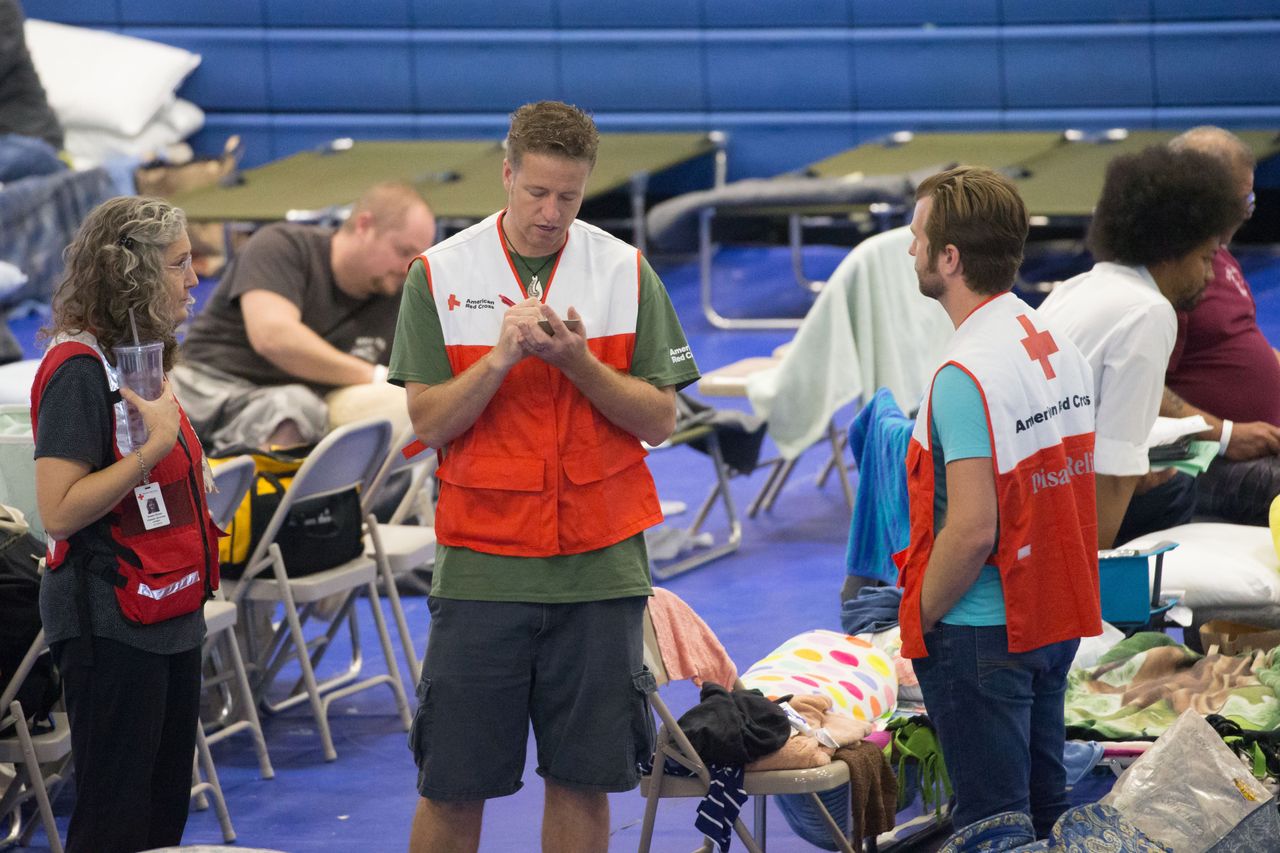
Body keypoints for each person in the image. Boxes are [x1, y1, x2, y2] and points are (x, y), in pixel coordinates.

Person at [390, 100, 700, 853]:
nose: (550, 213)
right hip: (482, 571)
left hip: (599, 570)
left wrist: (578, 364)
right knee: (452, 782)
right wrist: (497, 360)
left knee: (584, 780)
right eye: (536, 193)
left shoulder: (624, 271)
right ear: (507, 174)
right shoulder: (439, 273)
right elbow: (429, 422)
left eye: (568, 196)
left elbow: (660, 420)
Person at [895, 166, 1101, 839]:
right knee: (1047, 816)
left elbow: (972, 528)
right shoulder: (1052, 344)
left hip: (986, 632)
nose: (909, 249)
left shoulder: (964, 374)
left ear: (949, 258)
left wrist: (915, 621)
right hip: (1054, 615)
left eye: (918, 237)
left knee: (994, 828)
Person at [30, 196, 221, 853]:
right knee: (115, 818)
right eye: (179, 264)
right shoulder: (79, 372)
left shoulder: (138, 352)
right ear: (133, 275)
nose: (195, 278)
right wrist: (153, 451)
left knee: (162, 813)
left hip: (169, 605)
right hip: (109, 619)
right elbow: (58, 509)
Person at [1038, 145, 1239, 549]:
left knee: (1164, 485)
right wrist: (1089, 594)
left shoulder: (1080, 286)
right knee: (1176, 490)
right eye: (1205, 258)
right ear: (1170, 252)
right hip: (1045, 511)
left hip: (1024, 488)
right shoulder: (1148, 313)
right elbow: (1110, 474)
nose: (1208, 276)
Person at [172, 181, 436, 455]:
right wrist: (375, 376)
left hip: (290, 407)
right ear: (364, 226)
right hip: (205, 385)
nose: (408, 268)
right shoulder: (281, 245)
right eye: (403, 252)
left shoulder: (402, 298)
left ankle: (268, 493)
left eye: (417, 258)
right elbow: (273, 338)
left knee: (299, 409)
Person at [1160, 127, 1280, 525]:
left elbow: (1238, 344)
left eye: (1250, 198)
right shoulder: (1169, 269)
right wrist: (1226, 434)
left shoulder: (1218, 255)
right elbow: (1140, 387)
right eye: (1239, 199)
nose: (1247, 211)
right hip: (1205, 461)